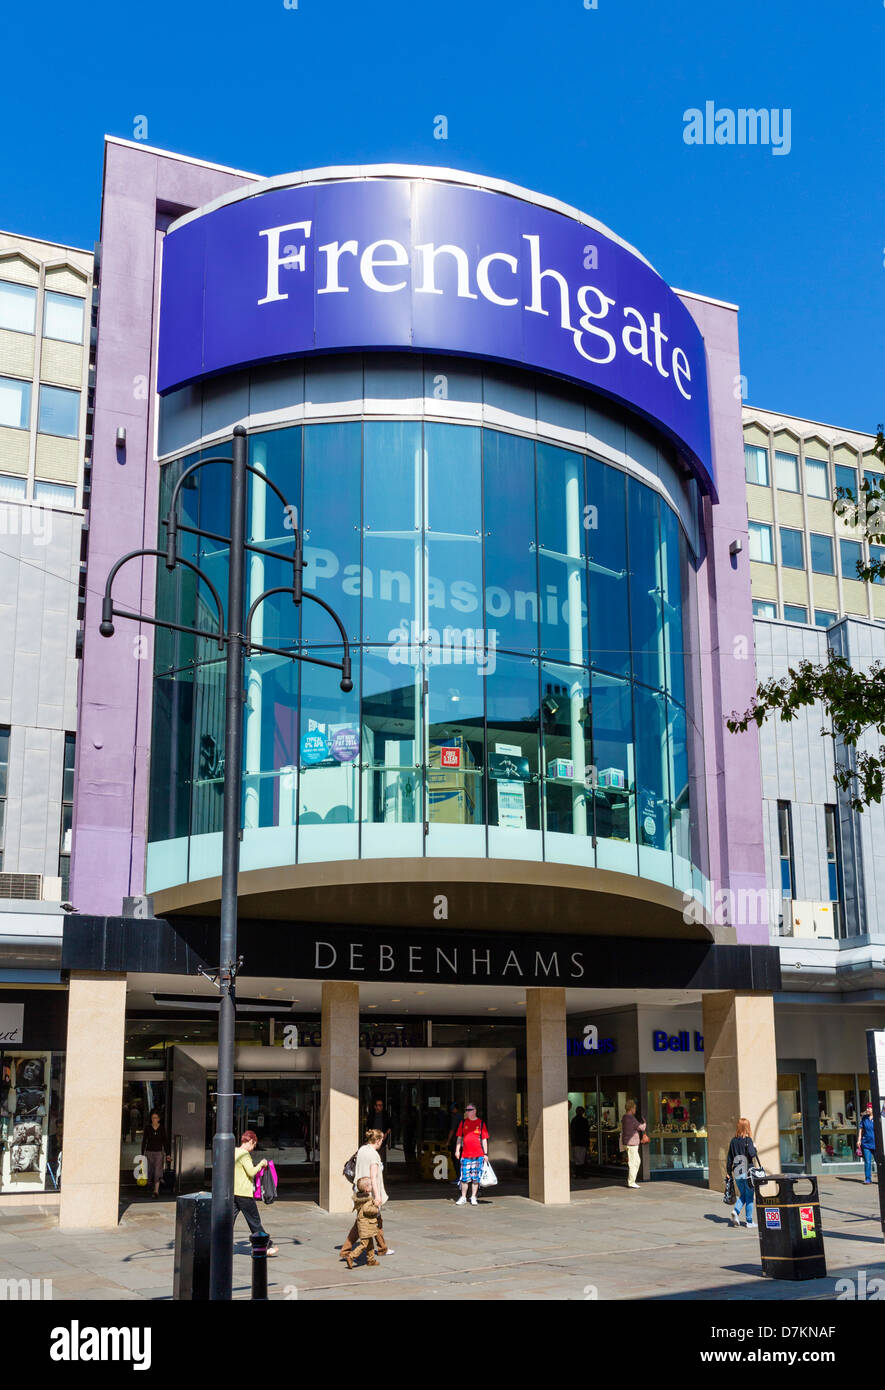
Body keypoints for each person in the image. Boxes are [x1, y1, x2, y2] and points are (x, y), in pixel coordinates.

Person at [340, 1129, 393, 1262]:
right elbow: (373, 1177)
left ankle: (382, 1248)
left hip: (359, 1191)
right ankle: (347, 1251)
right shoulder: (374, 1155)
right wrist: (377, 1196)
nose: (381, 1143)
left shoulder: (362, 1149)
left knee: (372, 1221)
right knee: (364, 1223)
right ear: (378, 1140)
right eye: (381, 1140)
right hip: (369, 1193)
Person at [234, 1130, 278, 1256]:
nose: (253, 1148)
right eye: (254, 1145)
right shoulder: (244, 1154)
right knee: (254, 1222)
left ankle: (217, 1244)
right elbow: (251, 1172)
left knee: (228, 1221)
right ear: (251, 1141)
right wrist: (262, 1163)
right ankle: (266, 1246)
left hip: (234, 1193)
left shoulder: (234, 1151)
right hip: (244, 1193)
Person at [726, 1118, 759, 1228]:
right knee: (749, 1197)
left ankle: (736, 1212)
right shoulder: (748, 1140)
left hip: (737, 1172)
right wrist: (755, 1148)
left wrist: (728, 1172)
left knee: (743, 1195)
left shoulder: (733, 1141)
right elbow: (752, 1154)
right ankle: (749, 1222)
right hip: (747, 1172)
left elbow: (729, 1157)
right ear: (747, 1127)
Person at [454, 1102, 489, 1206]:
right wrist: (457, 1150)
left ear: (475, 1111)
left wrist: (485, 1154)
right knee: (464, 1178)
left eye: (469, 1110)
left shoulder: (481, 1123)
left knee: (475, 1178)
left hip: (478, 1155)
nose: (467, 1112)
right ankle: (463, 1197)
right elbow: (459, 1138)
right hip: (465, 1155)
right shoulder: (463, 1123)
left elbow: (484, 1140)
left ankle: (473, 1196)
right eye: (466, 1110)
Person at [343, 1177, 382, 1269]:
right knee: (364, 1244)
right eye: (371, 1185)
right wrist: (376, 1206)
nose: (372, 1186)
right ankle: (351, 1256)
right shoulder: (367, 1199)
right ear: (367, 1189)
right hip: (366, 1225)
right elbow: (367, 1209)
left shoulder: (360, 1198)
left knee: (370, 1243)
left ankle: (371, 1260)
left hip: (364, 1224)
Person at [141, 1110, 170, 1198]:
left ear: (159, 1119)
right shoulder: (147, 1128)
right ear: (151, 1119)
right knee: (149, 1171)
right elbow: (144, 1141)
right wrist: (142, 1154)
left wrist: (168, 1154)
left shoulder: (161, 1128)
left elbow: (165, 1141)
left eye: (156, 1118)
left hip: (158, 1153)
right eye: (153, 1118)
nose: (154, 1119)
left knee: (158, 1170)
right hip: (149, 1152)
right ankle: (150, 1184)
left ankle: (156, 1191)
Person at [620, 1101, 646, 1188]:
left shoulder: (625, 1117)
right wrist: (644, 1122)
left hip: (628, 1143)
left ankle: (632, 1180)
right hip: (632, 1144)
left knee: (637, 1161)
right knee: (633, 1163)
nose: (635, 1110)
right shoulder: (630, 1118)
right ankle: (631, 1182)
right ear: (631, 1108)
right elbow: (641, 1127)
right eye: (634, 1108)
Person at [856, 1101, 878, 1183]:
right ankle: (868, 1179)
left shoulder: (878, 1117)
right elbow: (861, 1129)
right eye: (867, 1108)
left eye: (869, 1108)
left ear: (873, 1109)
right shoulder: (864, 1118)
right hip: (866, 1143)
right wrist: (859, 1140)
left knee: (879, 1162)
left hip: (877, 1144)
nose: (867, 1109)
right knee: (867, 1162)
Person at [366, 1098, 392, 1164]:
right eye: (379, 1105)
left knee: (381, 1158)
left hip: (382, 1139)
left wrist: (386, 1134)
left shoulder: (385, 1115)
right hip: (373, 1138)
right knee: (372, 1157)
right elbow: (368, 1126)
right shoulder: (371, 1115)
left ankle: (381, 1173)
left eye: (381, 1105)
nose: (381, 1107)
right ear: (375, 1106)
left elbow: (390, 1126)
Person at [570, 1105, 591, 1175]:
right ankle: (581, 1173)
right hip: (582, 1143)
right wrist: (587, 1143)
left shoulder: (573, 1120)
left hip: (576, 1142)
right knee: (581, 1159)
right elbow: (586, 1133)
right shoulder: (584, 1121)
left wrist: (572, 1142)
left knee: (577, 1159)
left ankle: (577, 1173)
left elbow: (572, 1132)